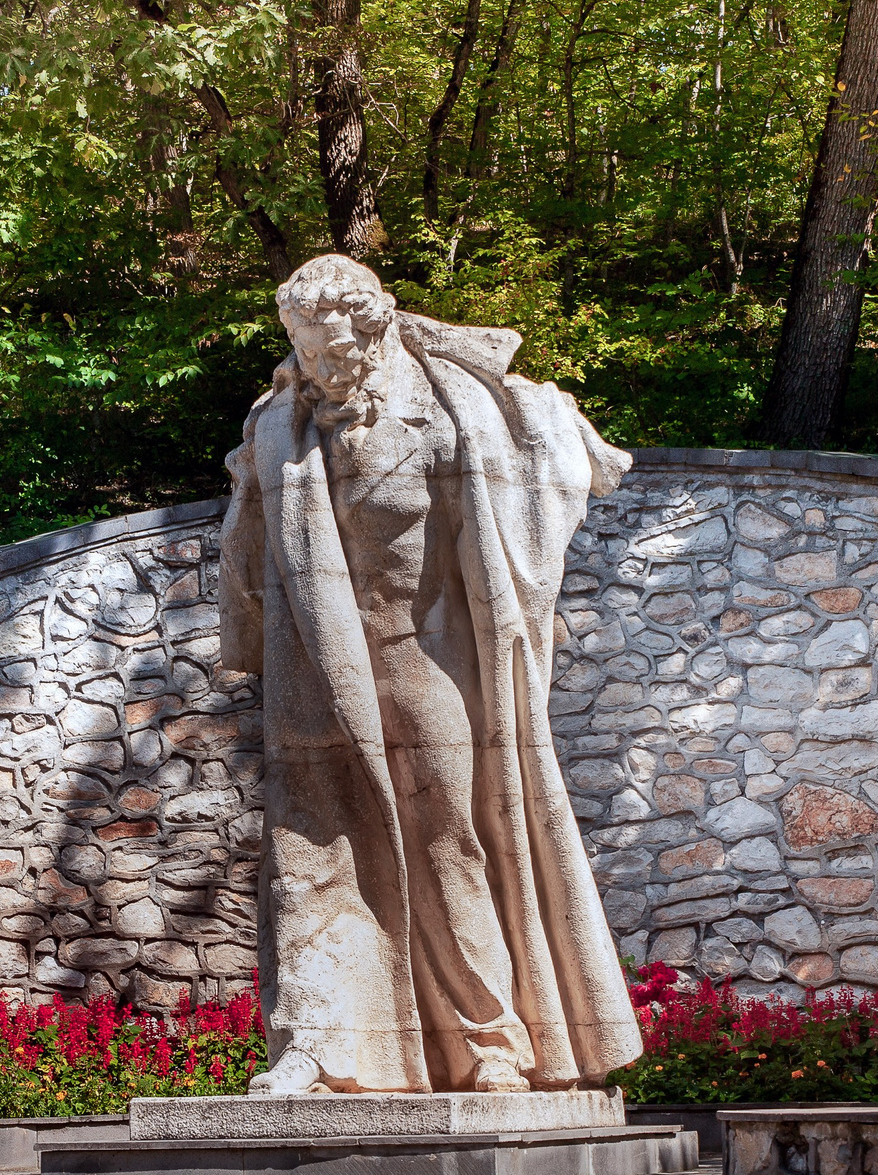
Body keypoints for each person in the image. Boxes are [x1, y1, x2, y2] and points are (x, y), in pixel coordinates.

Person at [218, 254, 644, 1094]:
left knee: (452, 840)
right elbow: (247, 550)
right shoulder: (281, 425)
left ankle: (491, 1040)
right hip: (316, 664)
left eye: (334, 353)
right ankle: (317, 1041)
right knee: (308, 848)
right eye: (304, 354)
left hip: (429, 659)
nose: (319, 371)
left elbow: (516, 519)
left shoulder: (454, 414)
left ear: (373, 332)